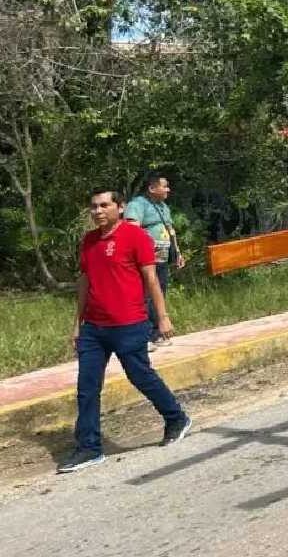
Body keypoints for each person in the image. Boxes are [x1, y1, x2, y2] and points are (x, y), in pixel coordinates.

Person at [58, 189, 191, 474]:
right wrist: (77, 324)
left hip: (129, 323)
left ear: (120, 207)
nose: (98, 211)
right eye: (93, 207)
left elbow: (151, 279)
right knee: (87, 388)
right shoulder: (89, 241)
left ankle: (176, 418)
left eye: (104, 205)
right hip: (93, 327)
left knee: (140, 375)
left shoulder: (136, 237)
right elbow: (84, 283)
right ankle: (89, 448)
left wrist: (163, 318)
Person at [124, 171, 185, 348]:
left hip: (162, 259)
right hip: (145, 261)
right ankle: (142, 337)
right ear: (152, 188)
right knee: (143, 297)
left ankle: (156, 334)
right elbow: (131, 229)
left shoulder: (163, 207)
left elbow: (170, 230)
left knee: (159, 295)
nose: (168, 189)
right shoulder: (137, 205)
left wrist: (177, 252)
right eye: (164, 186)